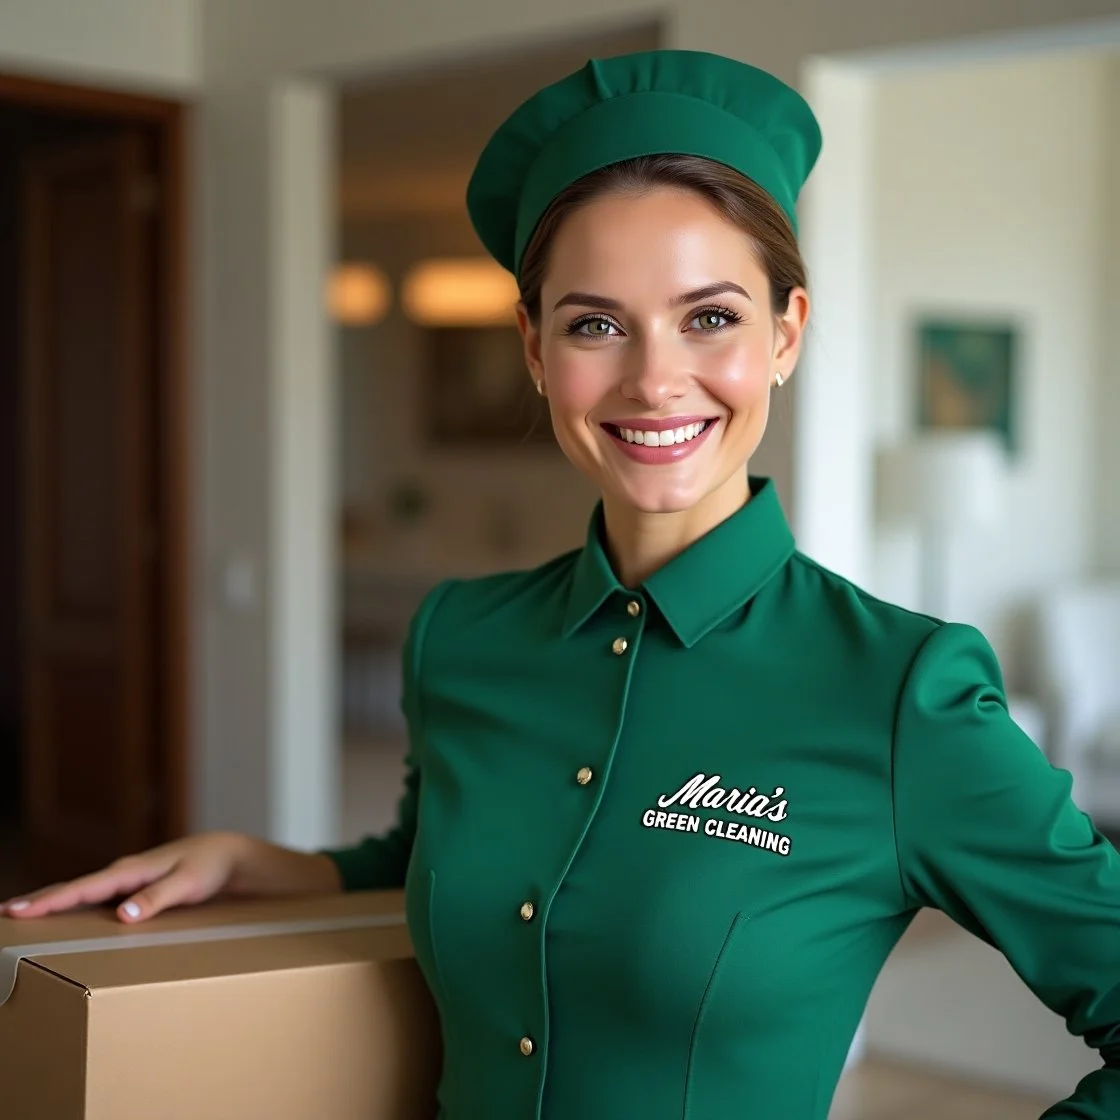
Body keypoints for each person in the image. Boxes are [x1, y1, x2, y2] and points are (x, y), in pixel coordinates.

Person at [3, 48, 1119, 1119]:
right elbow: (452, 853)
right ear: (534, 348)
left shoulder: (898, 690)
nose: (654, 378)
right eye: (595, 324)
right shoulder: (462, 636)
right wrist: (268, 863)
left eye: (710, 317)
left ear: (786, 333)